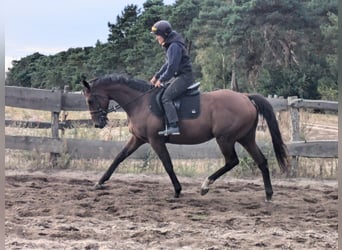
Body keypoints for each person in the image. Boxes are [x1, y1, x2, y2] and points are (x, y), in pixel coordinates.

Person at [150, 20, 195, 136]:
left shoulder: (174, 46)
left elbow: (172, 67)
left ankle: (174, 126)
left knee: (166, 97)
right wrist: (157, 75)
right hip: (181, 76)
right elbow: (167, 64)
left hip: (185, 77)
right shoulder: (171, 44)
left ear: (164, 35)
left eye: (157, 35)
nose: (156, 38)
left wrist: (162, 79)